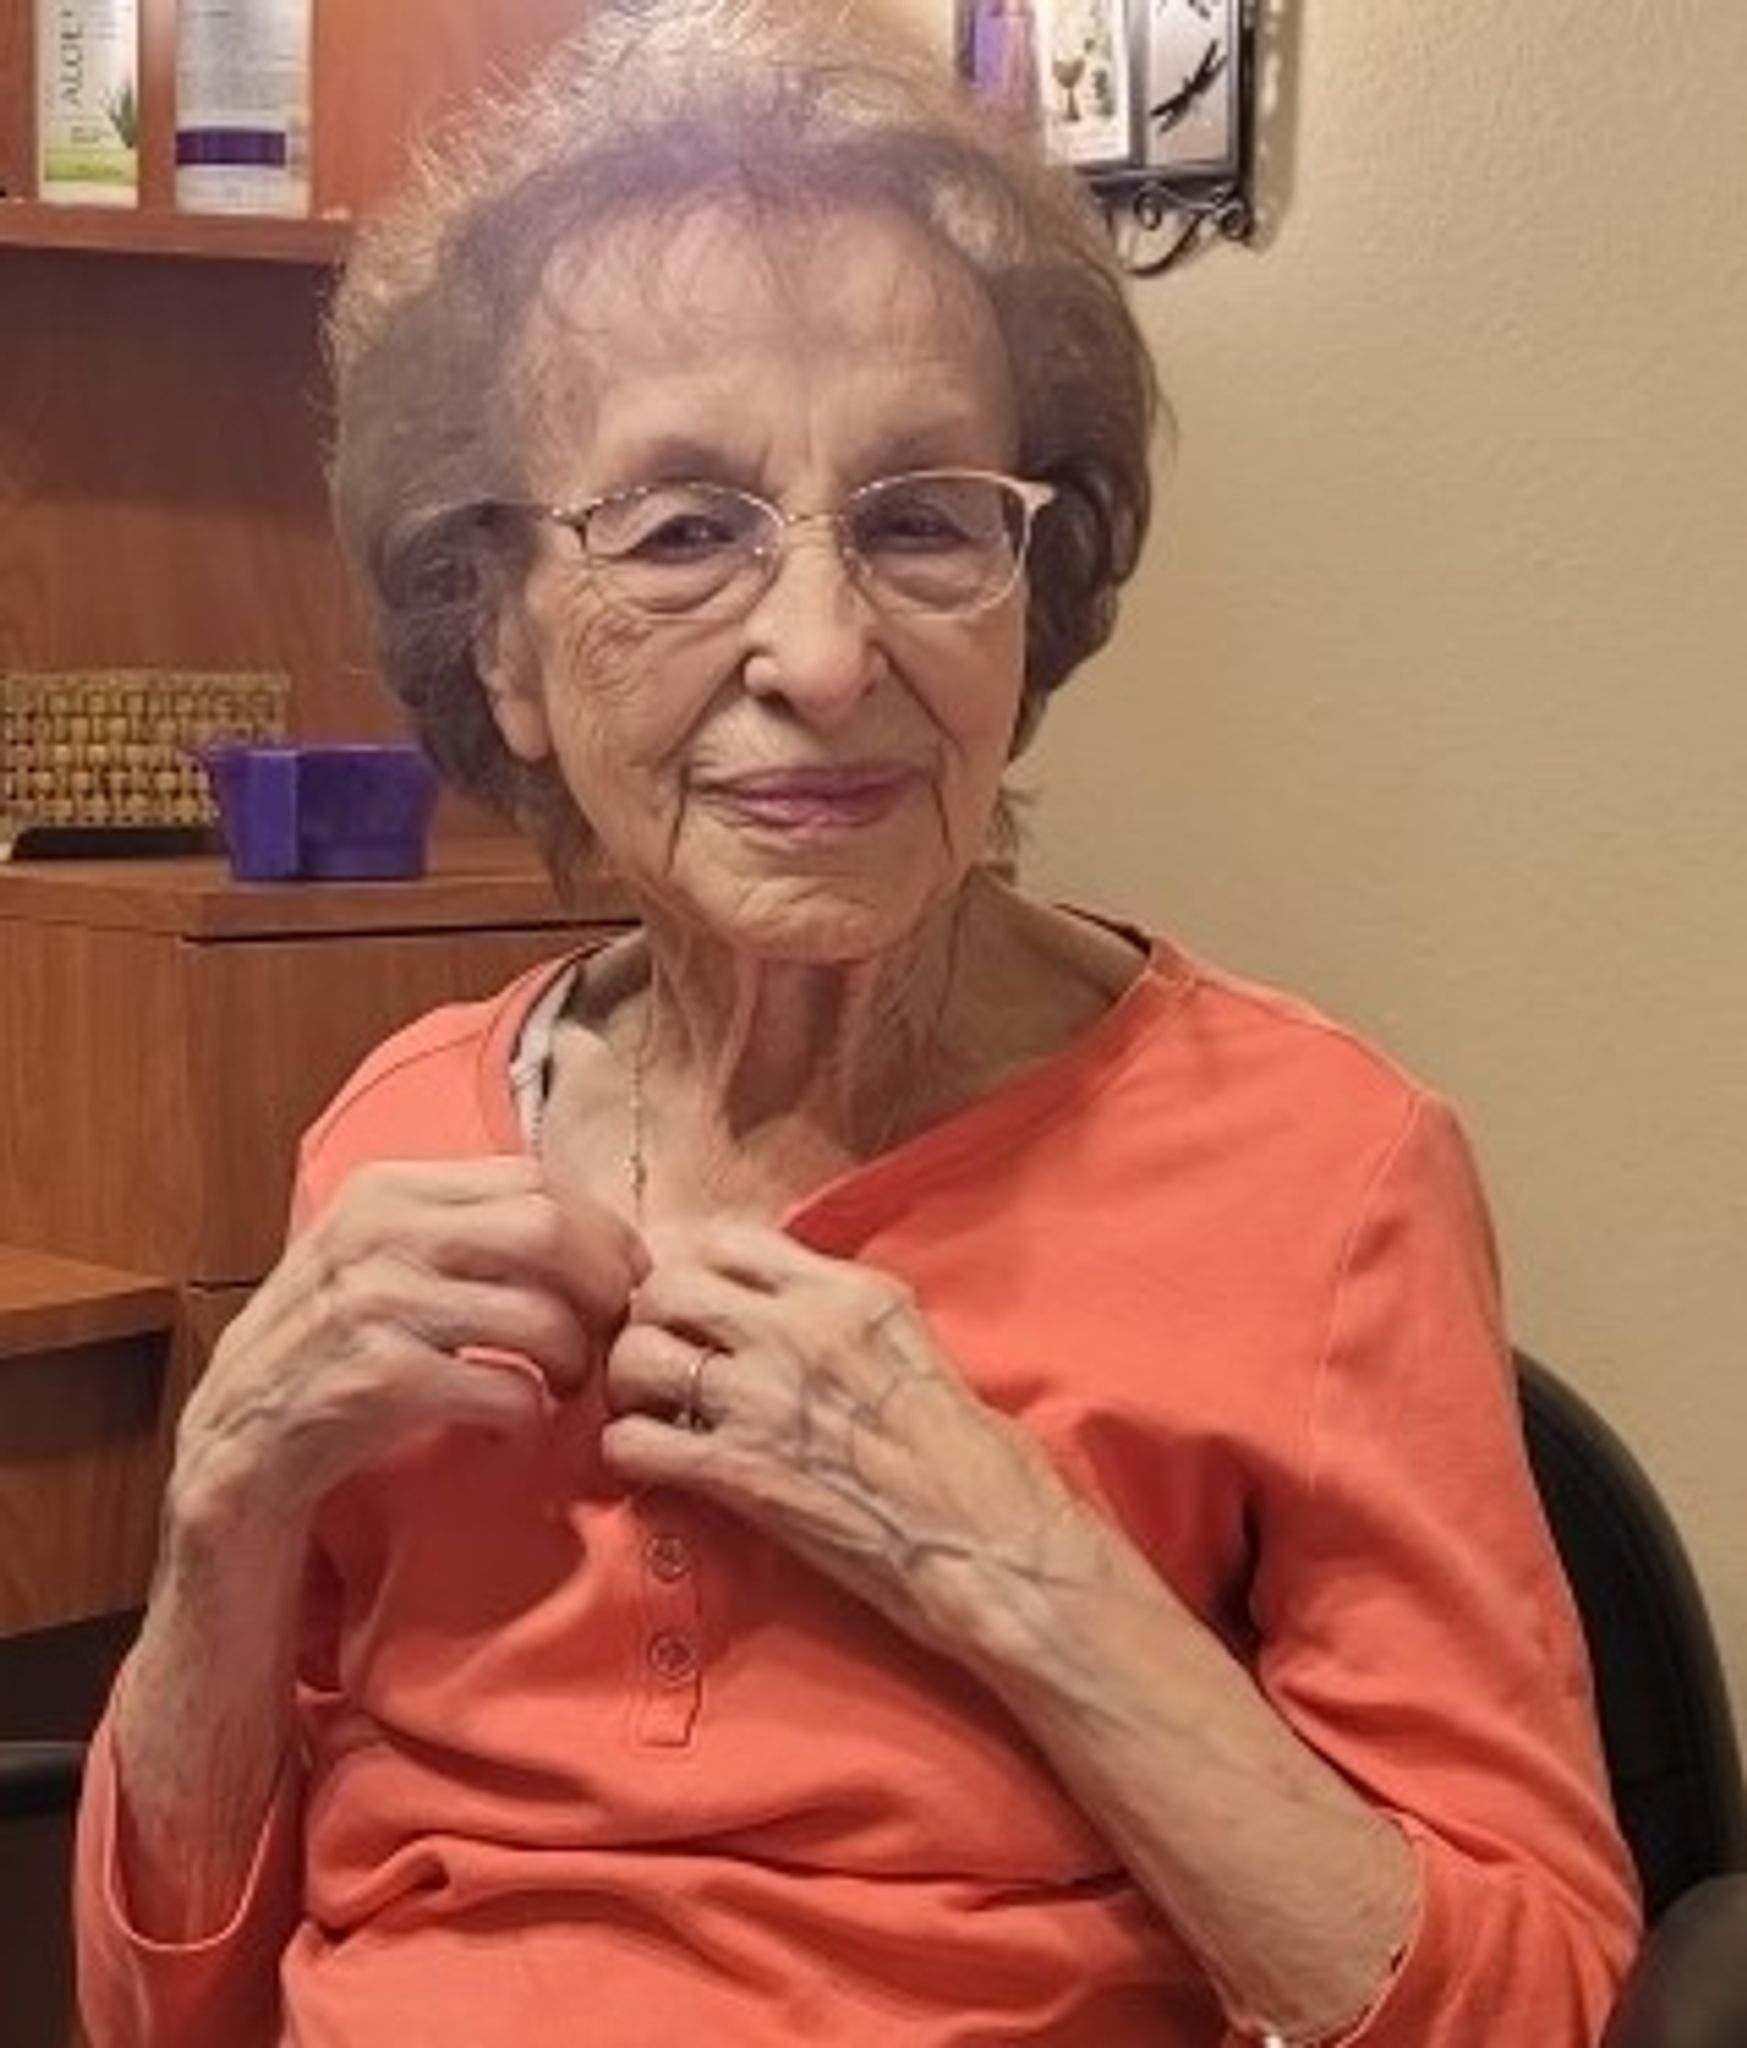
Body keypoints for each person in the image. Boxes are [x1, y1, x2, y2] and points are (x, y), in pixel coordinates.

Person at [74, 2, 1641, 2042]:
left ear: (1027, 599)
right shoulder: (395, 1141)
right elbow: (156, 2012)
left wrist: (1011, 1564)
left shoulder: (1323, 1174)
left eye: (919, 521)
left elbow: (1525, 2009)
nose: (822, 656)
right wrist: (221, 1515)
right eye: (680, 528)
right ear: (504, 648)